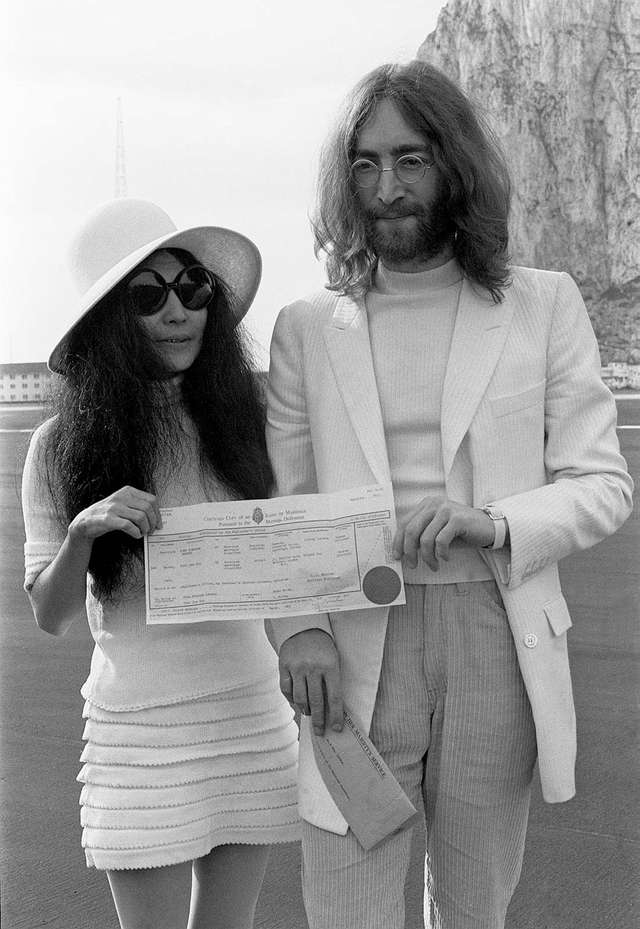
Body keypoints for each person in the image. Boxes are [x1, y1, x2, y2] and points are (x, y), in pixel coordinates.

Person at [265, 61, 634, 929]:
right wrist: (301, 630)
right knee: (346, 910)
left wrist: (495, 522)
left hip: (494, 636)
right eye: (363, 164)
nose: (385, 187)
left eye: (410, 159)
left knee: (474, 912)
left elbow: (603, 482)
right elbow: (283, 501)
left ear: (455, 164)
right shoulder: (306, 328)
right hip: (349, 645)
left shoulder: (544, 304)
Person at [21, 198, 300, 929]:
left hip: (249, 711)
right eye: (148, 295)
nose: (179, 311)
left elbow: (301, 550)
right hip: (138, 730)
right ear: (110, 320)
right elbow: (49, 614)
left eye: (193, 287)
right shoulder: (58, 447)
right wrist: (83, 533)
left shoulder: (252, 422)